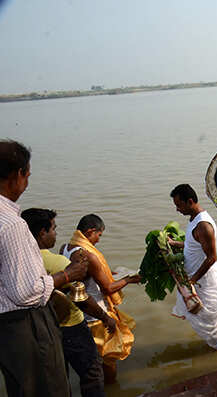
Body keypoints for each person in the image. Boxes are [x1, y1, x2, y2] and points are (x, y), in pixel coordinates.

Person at [0, 140, 88, 397]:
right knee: (48, 387)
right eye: (26, 175)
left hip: (6, 329)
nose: (26, 183)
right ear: (17, 174)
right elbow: (26, 293)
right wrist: (67, 275)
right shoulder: (11, 225)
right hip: (25, 323)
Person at [22, 208, 119, 397]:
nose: (55, 234)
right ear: (42, 233)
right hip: (71, 326)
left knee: (58, 376)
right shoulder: (56, 262)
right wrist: (105, 317)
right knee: (92, 372)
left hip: (40, 329)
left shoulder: (22, 260)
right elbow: (81, 298)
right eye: (53, 229)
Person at [60, 214, 140, 383]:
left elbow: (90, 276)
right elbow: (107, 288)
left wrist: (109, 273)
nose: (98, 240)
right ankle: (111, 386)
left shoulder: (66, 248)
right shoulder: (89, 255)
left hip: (77, 314)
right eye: (99, 235)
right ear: (90, 231)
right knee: (109, 358)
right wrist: (129, 279)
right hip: (96, 315)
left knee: (91, 359)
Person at [168, 184, 217, 349]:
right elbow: (193, 244)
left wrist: (192, 280)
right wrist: (175, 243)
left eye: (179, 205)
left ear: (190, 201)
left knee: (210, 321)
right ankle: (214, 347)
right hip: (197, 281)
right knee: (204, 318)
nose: (177, 210)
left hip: (204, 282)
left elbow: (212, 257)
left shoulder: (204, 225)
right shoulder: (193, 220)